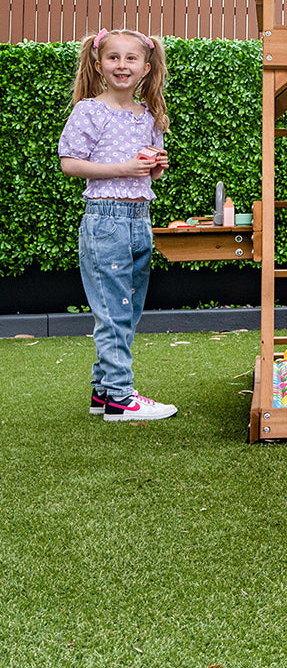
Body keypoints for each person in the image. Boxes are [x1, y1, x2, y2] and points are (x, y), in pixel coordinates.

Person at [58, 29, 177, 422]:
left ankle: (104, 391)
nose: (121, 65)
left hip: (139, 218)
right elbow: (70, 163)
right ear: (98, 65)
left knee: (126, 309)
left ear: (145, 68)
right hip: (105, 219)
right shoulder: (89, 111)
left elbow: (149, 177)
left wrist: (154, 168)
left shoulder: (149, 115)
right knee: (112, 311)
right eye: (113, 58)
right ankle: (121, 400)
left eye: (131, 59)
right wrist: (124, 169)